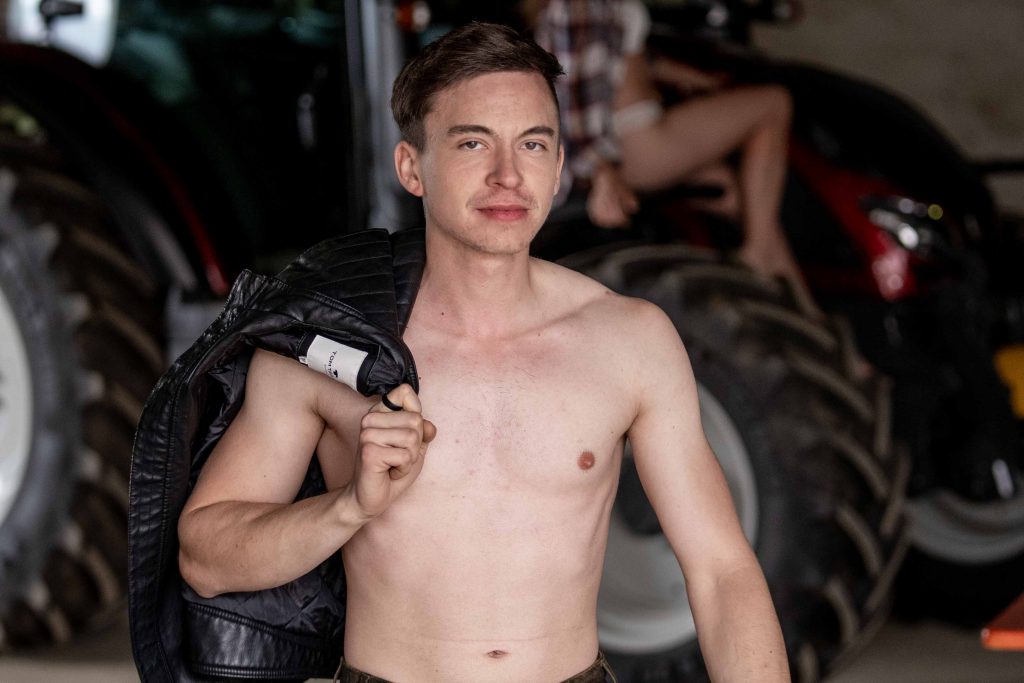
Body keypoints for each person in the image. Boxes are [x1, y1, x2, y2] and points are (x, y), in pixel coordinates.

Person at [176, 21, 789, 683]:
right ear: (411, 167)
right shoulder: (335, 346)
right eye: (473, 142)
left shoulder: (630, 340)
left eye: (533, 144)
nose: (508, 175)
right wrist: (350, 505)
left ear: (558, 168)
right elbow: (205, 557)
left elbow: (722, 572)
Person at [529, 0, 817, 313]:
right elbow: (575, 90)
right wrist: (600, 168)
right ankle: (757, 253)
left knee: (734, 192)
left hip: (635, 133)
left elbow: (619, 52)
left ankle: (806, 312)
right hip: (636, 136)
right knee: (774, 103)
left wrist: (685, 75)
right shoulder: (581, 4)